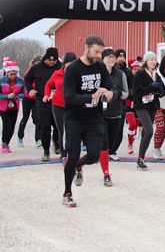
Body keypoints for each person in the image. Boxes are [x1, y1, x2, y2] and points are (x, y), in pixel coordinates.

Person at [61, 35, 118, 207]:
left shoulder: (100, 67)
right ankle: (67, 193)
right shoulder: (73, 69)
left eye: (101, 52)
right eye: (96, 52)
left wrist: (110, 94)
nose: (99, 56)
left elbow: (112, 86)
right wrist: (92, 96)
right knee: (72, 156)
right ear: (86, 48)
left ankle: (79, 166)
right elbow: (69, 96)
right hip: (74, 119)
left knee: (94, 155)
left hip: (94, 119)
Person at [24, 47, 62, 161]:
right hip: (42, 100)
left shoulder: (61, 67)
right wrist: (30, 89)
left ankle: (56, 142)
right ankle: (46, 150)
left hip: (57, 99)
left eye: (54, 60)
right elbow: (27, 79)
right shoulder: (36, 68)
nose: (51, 62)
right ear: (45, 58)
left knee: (57, 125)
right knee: (44, 125)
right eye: (49, 60)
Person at [133, 51, 165, 170]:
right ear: (146, 61)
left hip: (152, 105)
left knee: (145, 133)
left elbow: (160, 92)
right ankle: (141, 158)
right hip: (141, 105)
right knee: (149, 130)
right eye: (151, 59)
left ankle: (140, 158)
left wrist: (162, 89)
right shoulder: (140, 74)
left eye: (155, 59)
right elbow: (136, 92)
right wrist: (150, 87)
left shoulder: (157, 74)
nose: (153, 61)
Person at [100, 48, 128, 186]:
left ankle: (101, 157)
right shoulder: (98, 73)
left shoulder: (120, 74)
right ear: (102, 58)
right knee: (104, 143)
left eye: (113, 57)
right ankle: (106, 173)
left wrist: (115, 94)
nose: (111, 59)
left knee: (111, 143)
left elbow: (126, 93)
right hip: (100, 113)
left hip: (116, 111)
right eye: (108, 56)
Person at [44, 52, 77, 165]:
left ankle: (72, 152)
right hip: (58, 104)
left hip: (72, 105)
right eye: (69, 63)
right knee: (62, 129)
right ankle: (64, 155)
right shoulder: (57, 74)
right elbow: (48, 84)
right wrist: (46, 95)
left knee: (72, 130)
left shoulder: (77, 75)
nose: (72, 66)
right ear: (64, 64)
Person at [111, 48, 133, 160]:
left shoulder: (127, 72)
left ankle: (113, 150)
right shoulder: (109, 70)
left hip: (122, 103)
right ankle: (105, 149)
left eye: (123, 57)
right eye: (119, 57)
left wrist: (127, 94)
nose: (121, 59)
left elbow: (130, 88)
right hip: (108, 104)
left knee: (119, 128)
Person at [17, 54, 42, 147]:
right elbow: (26, 83)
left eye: (40, 62)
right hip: (28, 98)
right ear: (33, 63)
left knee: (38, 119)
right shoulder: (29, 71)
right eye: (37, 63)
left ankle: (38, 139)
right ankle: (20, 136)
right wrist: (32, 89)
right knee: (25, 117)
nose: (38, 64)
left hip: (37, 99)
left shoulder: (42, 71)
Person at [0, 62, 24, 153]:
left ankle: (7, 143)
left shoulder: (20, 81)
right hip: (3, 106)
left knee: (12, 125)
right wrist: (6, 96)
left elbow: (23, 93)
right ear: (7, 73)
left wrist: (16, 97)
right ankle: (3, 142)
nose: (13, 76)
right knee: (7, 123)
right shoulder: (1, 80)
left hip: (14, 105)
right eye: (11, 74)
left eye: (15, 74)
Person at [125, 60, 142, 154]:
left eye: (137, 69)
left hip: (138, 105)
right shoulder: (128, 78)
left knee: (135, 126)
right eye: (134, 69)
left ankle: (131, 143)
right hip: (128, 105)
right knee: (132, 124)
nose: (136, 71)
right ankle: (130, 144)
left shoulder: (141, 78)